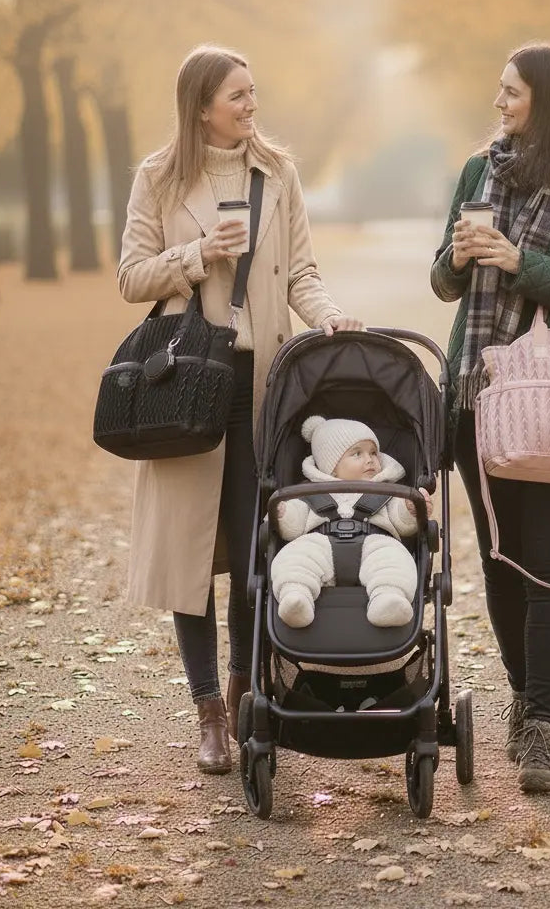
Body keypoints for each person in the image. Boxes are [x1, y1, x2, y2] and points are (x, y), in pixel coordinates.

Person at [117, 45, 362, 776]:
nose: (252, 105)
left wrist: (330, 318)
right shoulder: (158, 177)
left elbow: (305, 273)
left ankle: (246, 693)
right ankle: (209, 714)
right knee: (190, 557)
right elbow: (131, 277)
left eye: (254, 92)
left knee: (256, 548)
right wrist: (196, 253)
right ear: (201, 107)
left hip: (262, 385)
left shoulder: (277, 173)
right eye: (237, 96)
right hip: (189, 381)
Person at [430, 43, 550, 793]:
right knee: (497, 562)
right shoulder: (478, 171)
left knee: (545, 564)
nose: (500, 104)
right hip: (474, 398)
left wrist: (518, 262)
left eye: (511, 93)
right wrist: (457, 257)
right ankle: (521, 699)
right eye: (498, 92)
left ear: (547, 99)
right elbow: (442, 281)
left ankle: (541, 726)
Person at [271, 416, 432, 628]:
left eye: (373, 452)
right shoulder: (308, 492)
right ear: (331, 466)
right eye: (357, 453)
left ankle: (388, 600)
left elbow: (402, 523)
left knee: (394, 558)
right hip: (319, 544)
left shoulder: (388, 490)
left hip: (376, 544)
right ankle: (296, 598)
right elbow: (293, 525)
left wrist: (411, 510)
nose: (370, 459)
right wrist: (282, 513)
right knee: (295, 557)